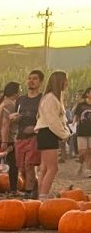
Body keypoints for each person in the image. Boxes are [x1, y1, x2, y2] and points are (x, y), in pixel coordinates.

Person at [35, 70, 70, 200]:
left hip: (47, 133)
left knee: (45, 167)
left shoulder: (53, 98)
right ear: (60, 82)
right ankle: (43, 196)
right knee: (52, 168)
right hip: (48, 133)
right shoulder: (50, 98)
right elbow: (53, 121)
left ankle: (42, 194)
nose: (67, 83)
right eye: (65, 80)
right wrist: (65, 134)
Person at [13, 69, 44, 199]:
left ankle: (29, 192)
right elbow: (16, 116)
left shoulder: (42, 99)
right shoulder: (21, 99)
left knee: (29, 164)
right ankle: (33, 187)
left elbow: (46, 117)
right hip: (20, 136)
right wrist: (15, 119)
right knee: (22, 168)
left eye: (35, 78)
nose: (31, 81)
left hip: (34, 136)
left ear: (40, 82)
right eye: (29, 78)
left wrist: (35, 128)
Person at [0, 82, 20, 196]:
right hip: (8, 138)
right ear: (15, 92)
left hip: (3, 136)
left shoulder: (3, 103)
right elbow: (6, 124)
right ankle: (13, 189)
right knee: (13, 165)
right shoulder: (9, 104)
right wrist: (5, 141)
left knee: (9, 164)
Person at [72, 87, 91, 178]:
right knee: (82, 152)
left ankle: (88, 170)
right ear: (87, 94)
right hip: (82, 131)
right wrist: (73, 123)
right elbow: (76, 116)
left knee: (90, 152)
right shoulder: (81, 105)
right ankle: (80, 165)